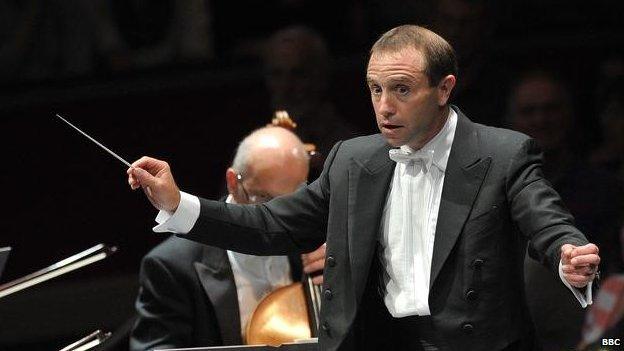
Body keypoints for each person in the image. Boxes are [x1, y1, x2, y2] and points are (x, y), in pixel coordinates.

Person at [127, 25, 600, 351]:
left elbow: (546, 219)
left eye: (401, 89)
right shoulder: (353, 159)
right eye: (375, 90)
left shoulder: (503, 153)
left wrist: (567, 252)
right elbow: (271, 225)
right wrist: (178, 202)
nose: (384, 107)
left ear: (444, 88)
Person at [129, 126, 326, 350]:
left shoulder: (314, 242)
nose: (278, 216)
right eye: (264, 198)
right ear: (233, 181)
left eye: (292, 201)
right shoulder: (170, 266)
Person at [506, 70, 624, 350]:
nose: (540, 119)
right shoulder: (493, 190)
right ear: (510, 122)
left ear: (569, 115)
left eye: (550, 109)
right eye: (529, 111)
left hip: (594, 321)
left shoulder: (606, 188)